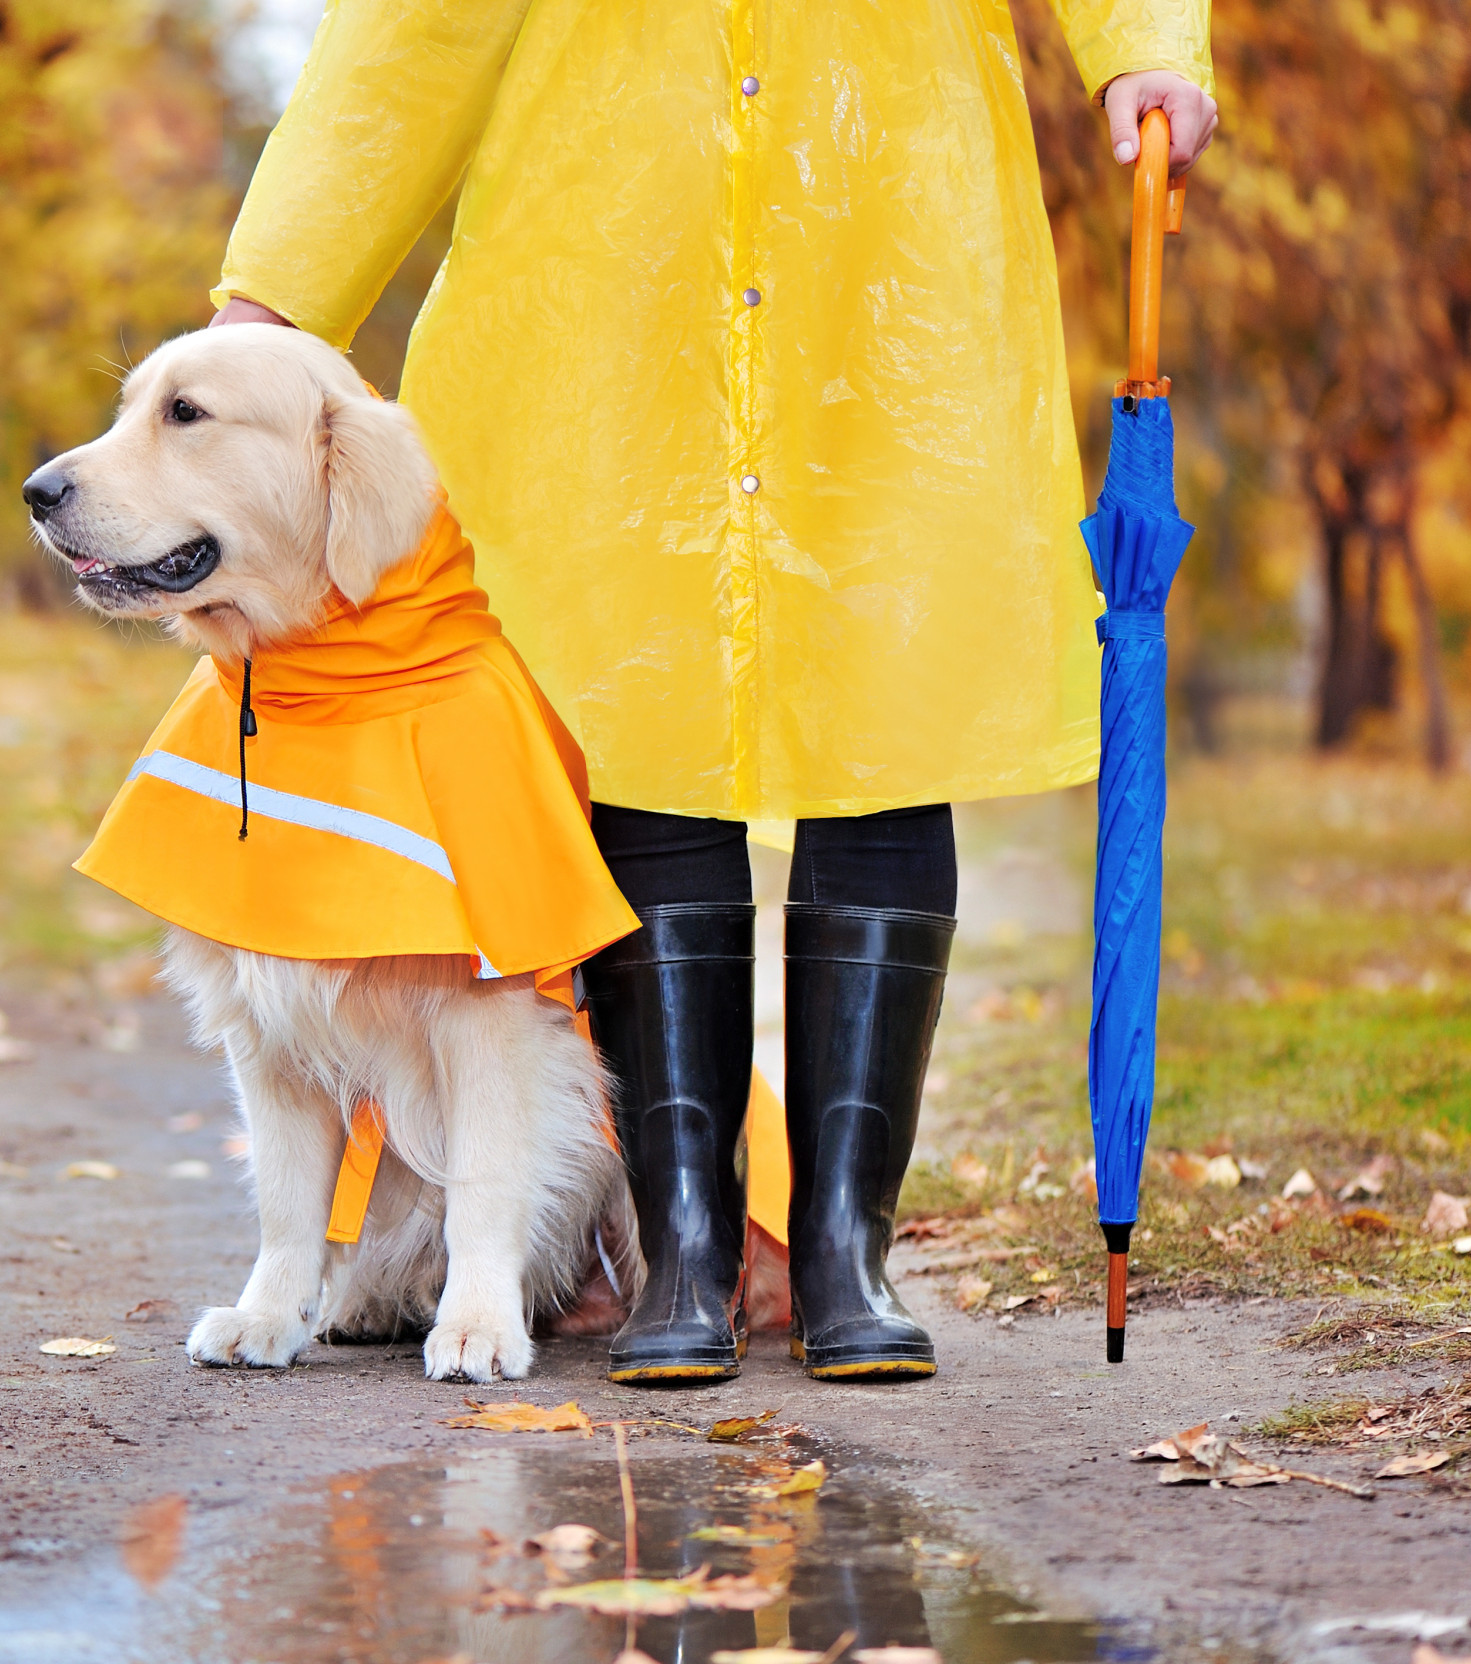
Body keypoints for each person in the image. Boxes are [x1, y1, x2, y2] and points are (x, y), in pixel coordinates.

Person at [209, 1, 1216, 1385]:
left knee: (885, 706)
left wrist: (1146, 38)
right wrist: (280, 283)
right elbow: (417, 25)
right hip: (608, 269)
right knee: (631, 719)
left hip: (885, 241)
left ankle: (845, 1252)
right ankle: (681, 1243)